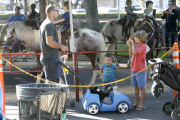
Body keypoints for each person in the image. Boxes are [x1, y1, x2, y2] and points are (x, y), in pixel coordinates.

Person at [40, 5, 68, 83]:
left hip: (49, 57)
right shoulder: (49, 25)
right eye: (57, 11)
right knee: (52, 84)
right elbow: (50, 42)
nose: (59, 13)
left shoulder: (45, 23)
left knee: (50, 83)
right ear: (52, 12)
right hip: (50, 59)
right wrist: (61, 46)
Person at [127, 30, 147, 110]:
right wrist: (130, 46)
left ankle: (142, 104)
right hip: (133, 69)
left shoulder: (143, 46)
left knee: (141, 87)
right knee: (135, 87)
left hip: (140, 70)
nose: (134, 38)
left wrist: (132, 44)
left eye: (136, 37)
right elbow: (130, 54)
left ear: (140, 38)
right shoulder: (135, 45)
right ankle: (136, 102)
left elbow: (135, 53)